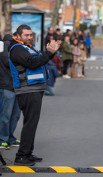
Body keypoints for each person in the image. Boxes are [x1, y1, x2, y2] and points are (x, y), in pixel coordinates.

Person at [8, 24, 60, 166]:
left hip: (33, 89)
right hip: (27, 90)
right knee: (30, 124)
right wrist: (49, 53)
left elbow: (38, 60)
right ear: (18, 35)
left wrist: (51, 52)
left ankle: (28, 153)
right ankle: (22, 156)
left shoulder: (26, 47)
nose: (29, 37)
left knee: (31, 123)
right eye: (26, 35)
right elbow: (32, 63)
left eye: (31, 35)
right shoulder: (17, 48)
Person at [0, 34, 21, 150]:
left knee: (6, 115)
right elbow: (10, 63)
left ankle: (6, 138)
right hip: (11, 86)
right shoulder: (7, 50)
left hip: (6, 87)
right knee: (13, 115)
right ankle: (6, 138)